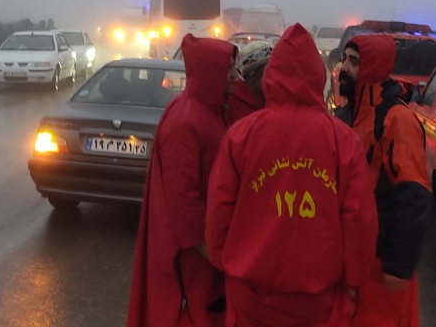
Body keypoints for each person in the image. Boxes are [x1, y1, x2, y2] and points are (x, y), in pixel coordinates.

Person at [205, 24, 377, 327]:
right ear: (318, 76)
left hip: (250, 298)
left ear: (272, 75)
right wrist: (355, 279)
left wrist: (224, 261)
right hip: (317, 303)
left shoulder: (241, 136)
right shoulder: (342, 140)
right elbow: (358, 217)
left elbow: (220, 209)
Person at [127, 33, 239, 327]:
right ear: (211, 70)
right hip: (189, 263)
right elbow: (184, 204)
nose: (234, 75)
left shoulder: (208, 111)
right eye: (228, 68)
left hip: (206, 255)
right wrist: (220, 259)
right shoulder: (185, 121)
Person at [335, 35, 430, 327]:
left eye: (355, 62)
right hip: (350, 262)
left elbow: (414, 196)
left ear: (373, 67)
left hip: (382, 266)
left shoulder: (396, 119)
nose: (344, 68)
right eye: (345, 59)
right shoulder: (344, 116)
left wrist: (398, 266)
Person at [225, 40, 274, 126]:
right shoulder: (234, 108)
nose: (274, 78)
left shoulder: (271, 99)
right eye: (268, 73)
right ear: (253, 75)